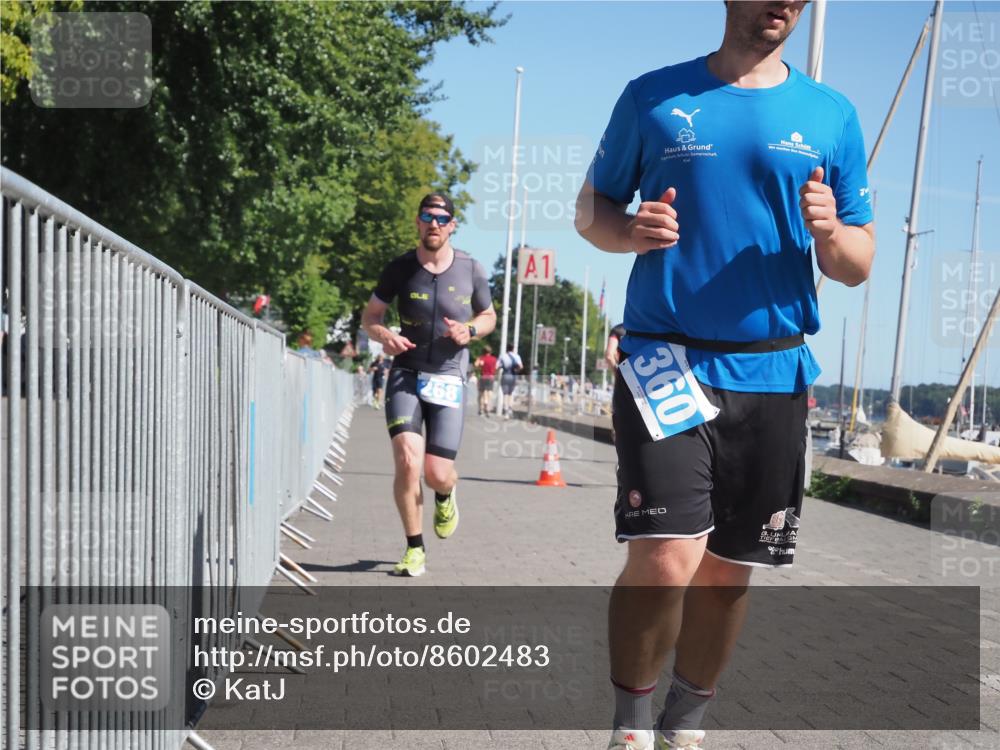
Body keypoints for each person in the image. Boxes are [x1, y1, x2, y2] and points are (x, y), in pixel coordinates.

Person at [574, 2, 874, 748]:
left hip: (773, 371)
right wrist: (626, 230)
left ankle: (687, 726)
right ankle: (632, 728)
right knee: (666, 553)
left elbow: (858, 263)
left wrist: (832, 231)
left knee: (728, 569)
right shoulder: (654, 96)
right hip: (662, 357)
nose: (784, 6)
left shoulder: (831, 115)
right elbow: (590, 209)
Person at [361, 193, 497, 577]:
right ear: (418, 223)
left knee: (437, 472)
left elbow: (488, 315)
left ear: (452, 225)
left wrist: (470, 330)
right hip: (406, 372)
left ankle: (445, 493)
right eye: (427, 216)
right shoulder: (400, 268)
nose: (433, 223)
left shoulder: (471, 268)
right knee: (407, 459)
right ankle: (414, 548)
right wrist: (382, 334)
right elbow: (370, 316)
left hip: (449, 376)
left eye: (441, 218)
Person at [496, 344, 523, 419]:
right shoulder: (517, 356)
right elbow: (521, 366)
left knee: (505, 394)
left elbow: (497, 366)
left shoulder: (503, 356)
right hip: (513, 376)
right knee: (511, 393)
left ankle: (506, 411)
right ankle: (510, 409)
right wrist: (516, 370)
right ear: (513, 349)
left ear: (506, 348)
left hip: (505, 375)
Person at [474, 345, 498, 416]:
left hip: (482, 377)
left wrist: (479, 366)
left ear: (483, 351)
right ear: (490, 352)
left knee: (481, 394)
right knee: (489, 393)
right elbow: (496, 367)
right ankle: (487, 406)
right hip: (491, 377)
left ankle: (480, 409)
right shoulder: (494, 359)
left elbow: (476, 365)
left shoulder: (481, 358)